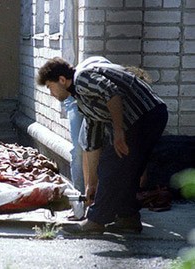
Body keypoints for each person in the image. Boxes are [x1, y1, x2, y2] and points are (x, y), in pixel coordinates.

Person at [37, 56, 167, 234]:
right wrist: (91, 186)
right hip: (149, 117)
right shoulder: (82, 99)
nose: (51, 93)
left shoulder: (82, 78)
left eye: (50, 87)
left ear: (62, 80)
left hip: (144, 116)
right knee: (125, 170)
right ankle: (128, 218)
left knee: (110, 166)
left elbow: (112, 93)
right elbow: (92, 138)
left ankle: (96, 221)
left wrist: (118, 131)